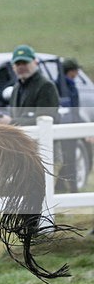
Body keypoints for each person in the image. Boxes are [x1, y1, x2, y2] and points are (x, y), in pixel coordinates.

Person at [0, 44, 59, 127]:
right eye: (17, 64)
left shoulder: (46, 86)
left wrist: (11, 122)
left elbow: (45, 120)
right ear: (13, 67)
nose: (21, 67)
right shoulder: (16, 88)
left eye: (25, 63)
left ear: (35, 62)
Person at [58, 57, 81, 193]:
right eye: (76, 71)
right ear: (71, 71)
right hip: (66, 128)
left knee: (67, 159)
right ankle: (72, 189)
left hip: (70, 126)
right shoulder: (65, 87)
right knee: (68, 159)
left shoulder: (70, 86)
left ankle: (63, 187)